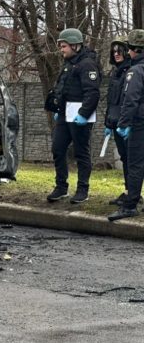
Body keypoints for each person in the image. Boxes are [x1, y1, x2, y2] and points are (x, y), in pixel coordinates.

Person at [46, 28, 101, 204]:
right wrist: (59, 111)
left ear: (75, 45)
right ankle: (61, 187)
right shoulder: (69, 63)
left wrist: (84, 114)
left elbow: (92, 93)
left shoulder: (87, 64)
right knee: (58, 149)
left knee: (81, 152)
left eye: (64, 46)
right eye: (61, 46)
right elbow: (64, 89)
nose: (61, 49)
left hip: (80, 116)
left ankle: (82, 190)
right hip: (65, 114)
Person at [109, 29, 144, 221]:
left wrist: (123, 124)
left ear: (134, 49)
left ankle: (131, 204)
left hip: (139, 123)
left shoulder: (135, 71)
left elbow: (130, 100)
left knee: (135, 163)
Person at [103, 36, 132, 206]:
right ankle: (129, 191)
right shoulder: (116, 72)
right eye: (114, 51)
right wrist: (108, 123)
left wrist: (126, 122)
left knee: (131, 159)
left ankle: (132, 193)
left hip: (127, 123)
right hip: (116, 123)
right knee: (125, 158)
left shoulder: (131, 71)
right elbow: (112, 101)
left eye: (120, 50)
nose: (116, 54)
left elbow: (128, 100)